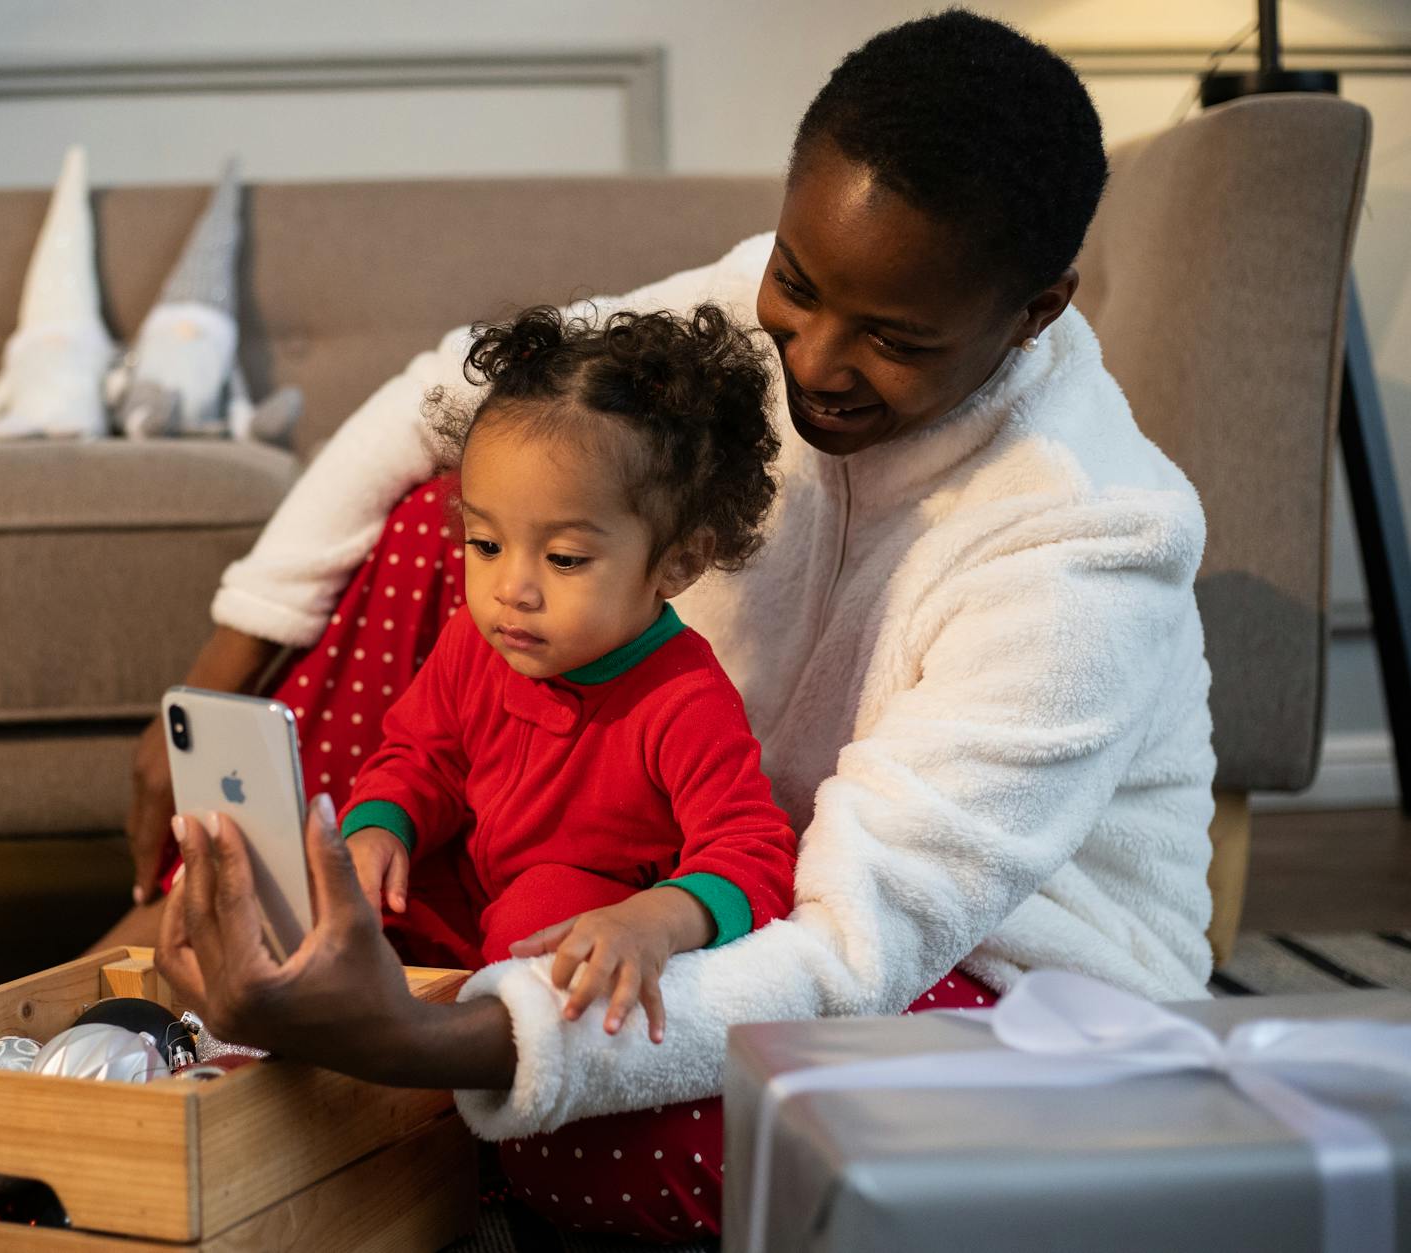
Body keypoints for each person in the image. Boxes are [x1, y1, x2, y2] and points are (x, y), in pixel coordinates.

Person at [106, 9, 1218, 1241]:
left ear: (1032, 311)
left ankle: (401, 1082)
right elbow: (444, 395)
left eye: (894, 340)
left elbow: (854, 948)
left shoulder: (1087, 540)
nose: (814, 359)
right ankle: (290, 982)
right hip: (651, 857)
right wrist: (215, 673)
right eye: (797, 285)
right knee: (469, 506)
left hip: (976, 986)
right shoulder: (751, 303)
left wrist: (429, 1036)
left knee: (632, 1126)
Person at [343, 304, 798, 1040]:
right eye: (485, 543)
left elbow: (758, 854)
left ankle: (468, 1062)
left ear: (678, 563)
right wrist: (378, 830)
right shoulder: (478, 639)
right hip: (469, 904)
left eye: (564, 559)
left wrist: (655, 919)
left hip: (575, 932)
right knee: (353, 891)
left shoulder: (682, 698)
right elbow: (420, 757)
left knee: (541, 905)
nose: (511, 588)